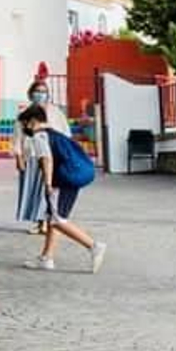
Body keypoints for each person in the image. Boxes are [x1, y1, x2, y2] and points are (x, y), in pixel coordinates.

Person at [17, 104, 107, 273]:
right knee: (54, 216)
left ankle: (93, 246)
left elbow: (46, 160)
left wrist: (48, 184)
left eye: (25, 124)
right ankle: (47, 258)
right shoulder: (55, 134)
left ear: (33, 121)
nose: (24, 128)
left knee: (57, 220)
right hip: (74, 176)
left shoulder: (39, 136)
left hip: (62, 180)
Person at [16, 78, 69, 234]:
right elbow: (17, 137)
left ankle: (48, 222)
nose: (40, 94)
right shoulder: (24, 113)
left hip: (50, 157)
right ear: (31, 94)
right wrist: (18, 157)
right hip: (30, 156)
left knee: (47, 189)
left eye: (43, 91)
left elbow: (65, 133)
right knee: (33, 191)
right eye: (37, 91)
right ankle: (38, 222)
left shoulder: (55, 112)